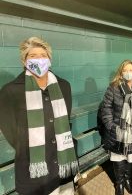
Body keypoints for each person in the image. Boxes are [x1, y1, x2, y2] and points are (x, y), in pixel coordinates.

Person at [0, 37, 78, 195]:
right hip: (34, 172)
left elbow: (65, 118)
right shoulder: (11, 91)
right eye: (32, 56)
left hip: (63, 166)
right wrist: (31, 145)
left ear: (49, 59)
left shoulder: (64, 86)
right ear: (24, 61)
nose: (39, 59)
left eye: (43, 55)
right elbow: (10, 131)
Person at [101, 60, 132, 195]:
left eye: (131, 70)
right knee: (119, 159)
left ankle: (128, 179)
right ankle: (119, 183)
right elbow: (106, 108)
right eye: (125, 70)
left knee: (130, 157)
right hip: (118, 130)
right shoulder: (113, 87)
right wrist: (111, 125)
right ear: (121, 73)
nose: (128, 73)